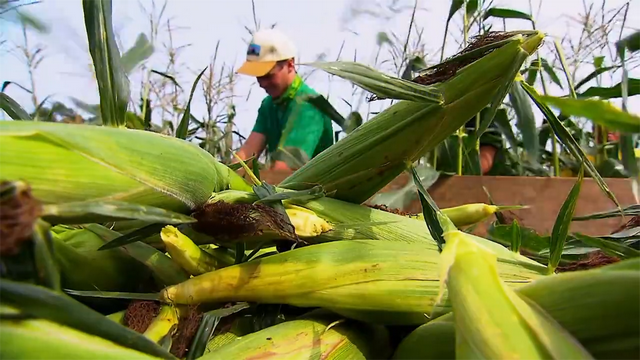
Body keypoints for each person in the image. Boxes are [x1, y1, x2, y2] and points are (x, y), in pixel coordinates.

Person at [233, 28, 334, 171]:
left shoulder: (309, 106)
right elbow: (248, 153)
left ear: (290, 64)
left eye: (268, 75)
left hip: (312, 191)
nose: (262, 83)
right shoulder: (269, 105)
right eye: (258, 76)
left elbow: (285, 170)